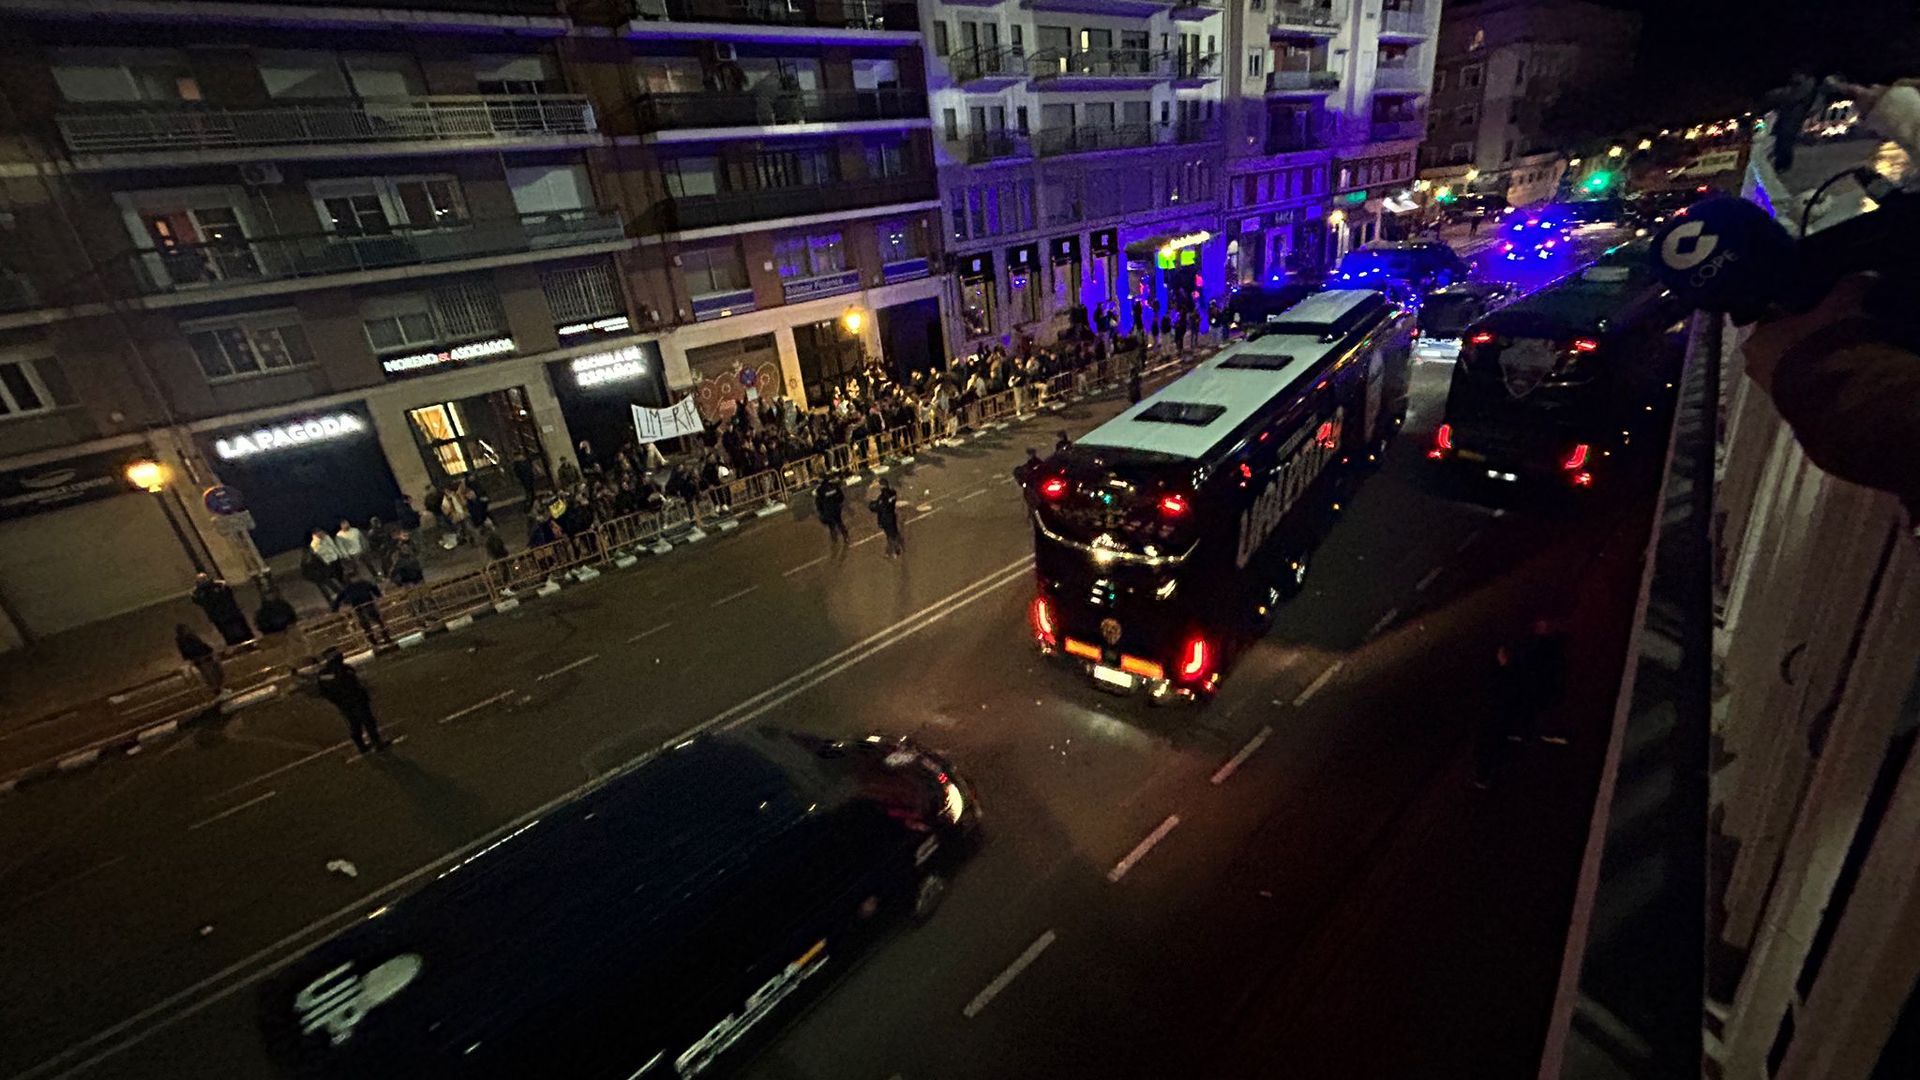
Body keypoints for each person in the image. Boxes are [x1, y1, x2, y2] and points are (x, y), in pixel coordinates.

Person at [305, 647, 388, 754]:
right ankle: (375, 742)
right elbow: (350, 684)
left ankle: (363, 745)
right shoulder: (343, 670)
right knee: (366, 722)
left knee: (356, 723)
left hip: (347, 702)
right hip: (354, 700)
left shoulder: (328, 673)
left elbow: (324, 690)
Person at [1516, 618, 1572, 745]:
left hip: (1543, 684)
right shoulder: (1543, 644)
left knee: (1540, 707)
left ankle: (1541, 732)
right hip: (1542, 683)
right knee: (1537, 708)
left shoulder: (1547, 644)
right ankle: (1535, 732)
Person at [189, 572, 253, 646]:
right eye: (201, 580)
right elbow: (197, 600)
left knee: (241, 631)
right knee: (229, 634)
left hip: (231, 613)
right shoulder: (199, 592)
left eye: (204, 579)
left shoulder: (218, 586)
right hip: (219, 617)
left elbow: (228, 593)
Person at [332, 570, 391, 646]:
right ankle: (385, 637)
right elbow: (374, 588)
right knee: (378, 622)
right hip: (368, 605)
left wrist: (335, 609)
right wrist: (379, 595)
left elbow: (338, 599)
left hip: (359, 608)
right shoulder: (364, 583)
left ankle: (374, 642)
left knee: (367, 626)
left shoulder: (348, 588)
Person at [175, 623, 222, 692]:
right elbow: (198, 647)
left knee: (211, 674)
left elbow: (199, 646)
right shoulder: (187, 639)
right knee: (211, 674)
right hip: (202, 658)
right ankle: (217, 689)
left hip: (202, 658)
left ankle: (217, 688)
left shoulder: (187, 638)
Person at [870, 477, 904, 558]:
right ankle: (895, 549)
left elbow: (879, 508)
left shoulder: (882, 497)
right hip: (892, 515)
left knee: (890, 535)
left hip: (886, 518)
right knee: (894, 533)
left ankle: (895, 550)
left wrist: (873, 505)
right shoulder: (893, 492)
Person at [815, 474, 849, 549]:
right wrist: (839, 504)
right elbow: (841, 496)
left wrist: (820, 511)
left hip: (828, 509)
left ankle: (834, 538)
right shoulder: (834, 486)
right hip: (836, 508)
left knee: (831, 525)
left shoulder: (820, 490)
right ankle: (845, 536)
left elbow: (818, 502)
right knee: (839, 522)